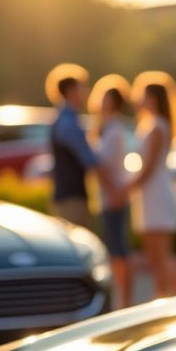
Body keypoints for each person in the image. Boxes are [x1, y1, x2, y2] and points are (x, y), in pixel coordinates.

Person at [127, 72, 176, 298]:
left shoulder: (157, 127)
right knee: (155, 255)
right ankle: (163, 297)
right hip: (151, 195)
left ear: (153, 98)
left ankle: (172, 299)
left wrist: (126, 189)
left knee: (161, 255)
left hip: (157, 195)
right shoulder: (150, 125)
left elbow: (148, 168)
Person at [89, 74, 134, 308]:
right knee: (114, 250)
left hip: (115, 196)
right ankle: (122, 298)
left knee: (119, 251)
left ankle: (125, 300)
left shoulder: (115, 129)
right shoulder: (104, 127)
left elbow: (105, 166)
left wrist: (115, 193)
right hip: (109, 196)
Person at [44, 63, 104, 229]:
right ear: (71, 91)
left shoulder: (63, 118)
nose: (86, 92)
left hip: (66, 195)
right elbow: (90, 160)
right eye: (82, 87)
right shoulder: (69, 123)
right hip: (72, 198)